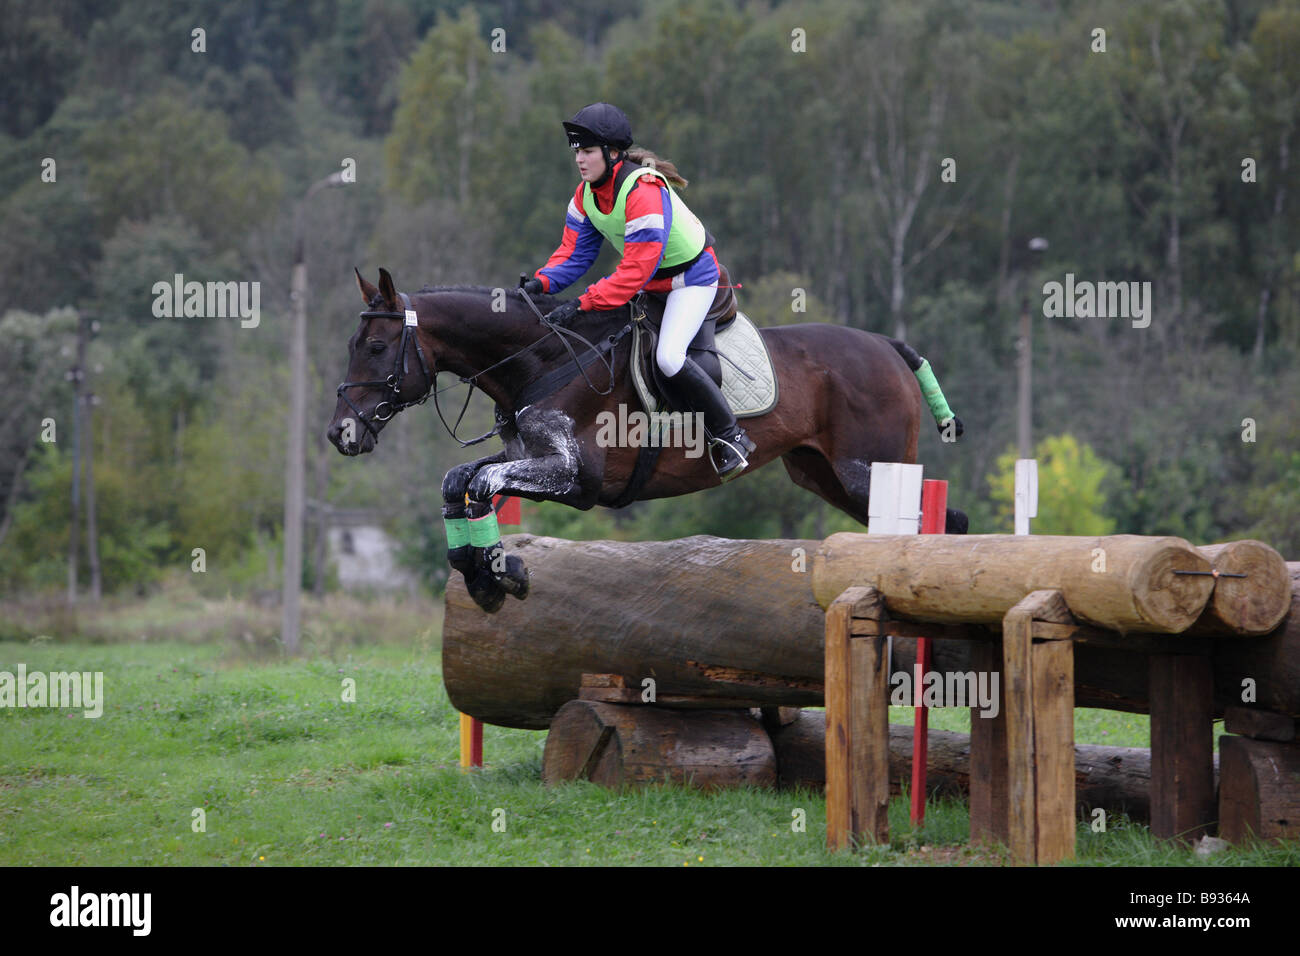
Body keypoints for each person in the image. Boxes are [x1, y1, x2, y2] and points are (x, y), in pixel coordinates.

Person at [521, 103, 756, 481]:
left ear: (612, 154)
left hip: (691, 281)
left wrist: (583, 303)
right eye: (577, 152)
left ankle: (731, 438)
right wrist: (541, 283)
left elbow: (634, 271)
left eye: (587, 151)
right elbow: (574, 256)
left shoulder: (643, 191)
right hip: (650, 286)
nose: (579, 159)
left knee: (668, 358)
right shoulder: (585, 197)